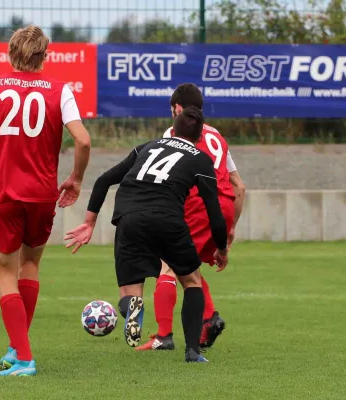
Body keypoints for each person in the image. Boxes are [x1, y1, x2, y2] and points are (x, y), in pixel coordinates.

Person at [0, 25, 91, 376]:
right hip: (42, 195)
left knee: (5, 272)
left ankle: (24, 358)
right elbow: (83, 141)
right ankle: (15, 347)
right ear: (45, 55)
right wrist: (75, 179)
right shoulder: (61, 90)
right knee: (31, 266)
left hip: (4, 194)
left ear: (10, 52)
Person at [65, 107, 229, 363]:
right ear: (199, 138)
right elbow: (214, 213)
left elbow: (104, 180)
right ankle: (192, 352)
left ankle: (132, 305)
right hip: (168, 219)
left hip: (129, 217)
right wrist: (221, 247)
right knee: (192, 282)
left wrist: (89, 222)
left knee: (130, 292)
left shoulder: (146, 147)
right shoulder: (200, 159)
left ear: (172, 130)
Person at [135, 83, 246, 352]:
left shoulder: (174, 132)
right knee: (190, 266)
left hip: (198, 204)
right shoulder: (217, 136)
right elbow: (239, 186)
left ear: (178, 109)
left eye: (172, 109)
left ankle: (163, 336)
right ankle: (209, 318)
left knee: (167, 264)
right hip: (225, 207)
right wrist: (229, 230)